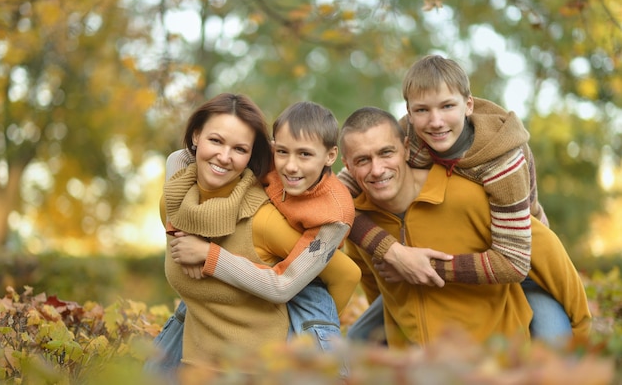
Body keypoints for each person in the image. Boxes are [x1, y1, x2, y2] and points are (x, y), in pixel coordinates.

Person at [339, 55, 571, 344]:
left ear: (468, 105)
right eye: (422, 110)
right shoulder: (405, 137)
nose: (435, 122)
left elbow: (513, 263)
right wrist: (395, 253)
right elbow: (337, 201)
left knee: (554, 342)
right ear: (409, 114)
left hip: (520, 258)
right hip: (445, 259)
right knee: (357, 341)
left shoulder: (502, 161)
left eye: (447, 106)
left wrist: (420, 267)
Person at [146, 96, 359, 379]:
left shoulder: (329, 218)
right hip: (202, 355)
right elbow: (179, 156)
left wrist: (311, 328)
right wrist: (180, 223)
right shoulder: (271, 158)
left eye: (305, 155)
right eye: (283, 151)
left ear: (330, 157)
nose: (291, 167)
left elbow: (333, 276)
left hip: (294, 291)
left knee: (306, 300)